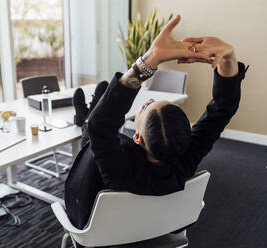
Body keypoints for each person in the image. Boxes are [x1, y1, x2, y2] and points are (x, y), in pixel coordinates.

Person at [65, 15, 248, 247]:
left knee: (93, 139)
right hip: (158, 234)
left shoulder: (118, 169)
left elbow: (101, 126)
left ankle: (85, 116)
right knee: (96, 134)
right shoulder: (185, 160)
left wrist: (151, 59)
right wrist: (229, 58)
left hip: (101, 237)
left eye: (145, 106)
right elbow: (222, 109)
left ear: (138, 137)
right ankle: (86, 115)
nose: (148, 99)